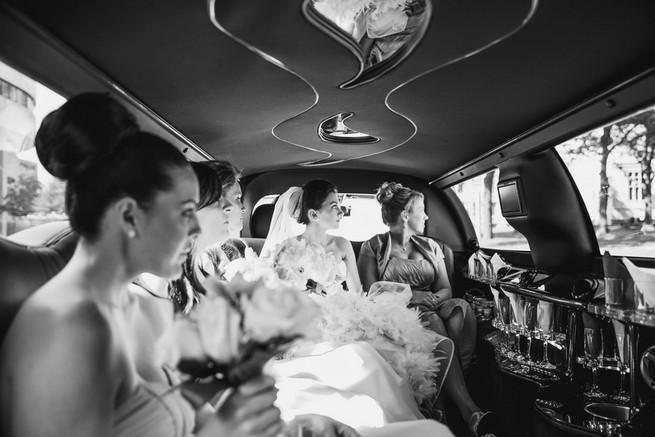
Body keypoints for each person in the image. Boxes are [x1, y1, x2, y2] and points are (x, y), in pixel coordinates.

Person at [0, 93, 282, 437]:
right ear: (131, 215)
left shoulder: (145, 309)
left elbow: (187, 412)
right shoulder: (63, 334)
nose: (195, 231)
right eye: (184, 213)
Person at [260, 179, 455, 436]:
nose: (341, 211)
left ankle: (424, 413)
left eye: (340, 205)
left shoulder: (341, 245)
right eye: (334, 206)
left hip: (341, 314)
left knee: (384, 349)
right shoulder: (285, 249)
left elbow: (356, 292)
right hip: (304, 322)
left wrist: (365, 317)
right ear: (314, 214)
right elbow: (278, 299)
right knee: (361, 357)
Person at [357, 181, 499, 437]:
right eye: (422, 209)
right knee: (432, 323)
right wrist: (411, 296)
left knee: (456, 309)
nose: (426, 216)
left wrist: (431, 299)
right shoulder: (373, 247)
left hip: (432, 308)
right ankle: (468, 411)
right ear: (405, 215)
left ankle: (444, 410)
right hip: (392, 317)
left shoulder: (433, 247)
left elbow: (445, 288)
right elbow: (371, 293)